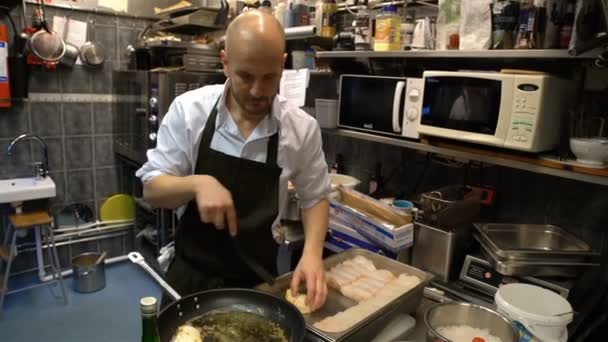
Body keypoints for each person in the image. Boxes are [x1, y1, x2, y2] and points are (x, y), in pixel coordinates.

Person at [135, 10, 330, 311]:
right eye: (245, 76)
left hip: (257, 283)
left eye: (269, 78)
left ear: (282, 65)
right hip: (190, 280)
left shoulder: (301, 129)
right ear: (225, 63)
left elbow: (315, 196)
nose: (257, 91)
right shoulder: (190, 112)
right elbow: (152, 189)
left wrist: (313, 253)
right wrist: (197, 184)